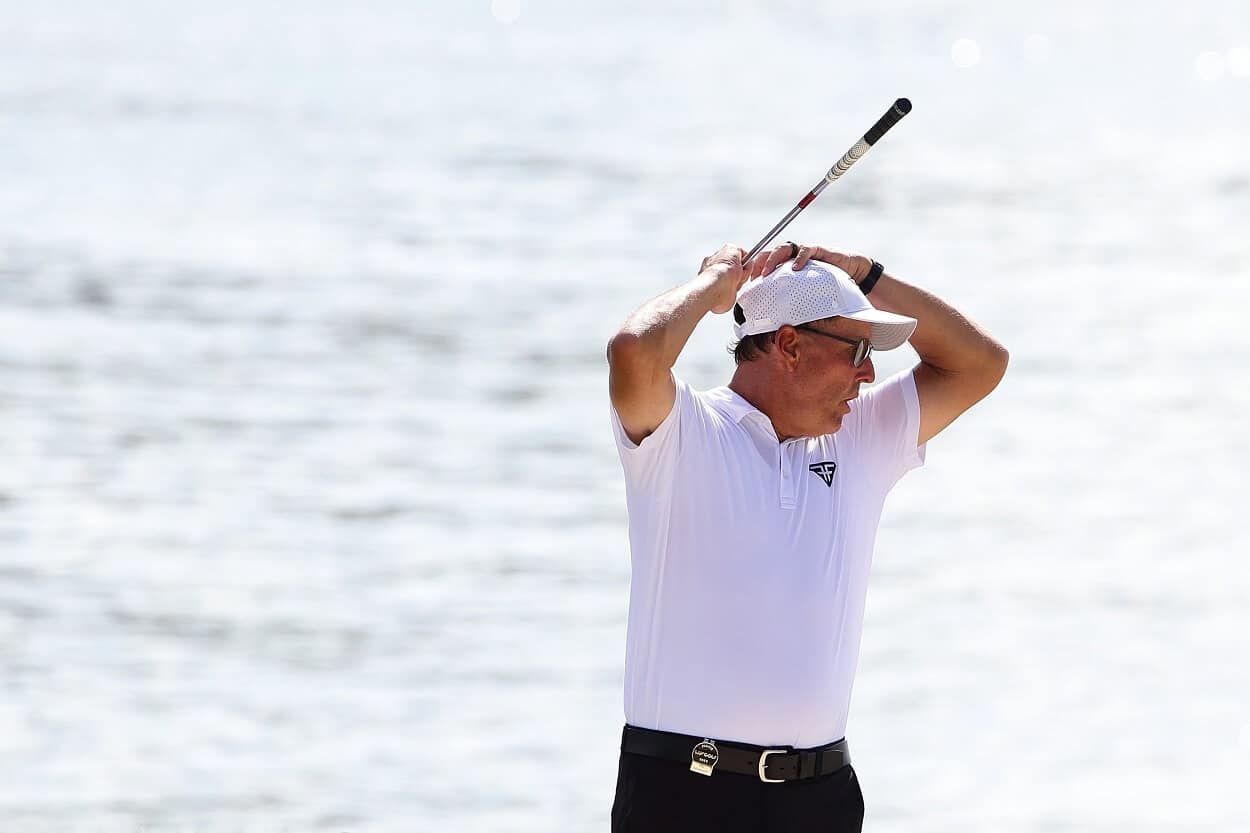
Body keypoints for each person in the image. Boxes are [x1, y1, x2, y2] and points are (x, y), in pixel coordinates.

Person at [604, 241, 1008, 833]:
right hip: (683, 795)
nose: (868, 373)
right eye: (858, 350)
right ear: (789, 345)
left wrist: (863, 275)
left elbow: (981, 363)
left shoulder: (858, 437)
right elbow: (633, 352)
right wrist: (713, 287)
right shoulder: (683, 431)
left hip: (819, 800)